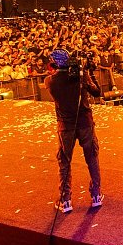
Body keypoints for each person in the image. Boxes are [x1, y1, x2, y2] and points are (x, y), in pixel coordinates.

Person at [45, 49, 102, 213]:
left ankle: (66, 200)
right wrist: (88, 72)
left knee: (65, 162)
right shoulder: (81, 76)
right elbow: (96, 92)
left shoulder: (50, 81)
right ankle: (96, 195)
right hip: (85, 124)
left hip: (66, 127)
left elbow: (58, 77)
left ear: (55, 64)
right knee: (92, 158)